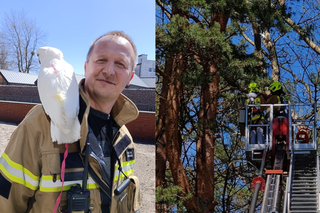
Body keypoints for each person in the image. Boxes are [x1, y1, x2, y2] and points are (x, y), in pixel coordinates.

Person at [0, 31, 141, 213]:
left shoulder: (125, 140)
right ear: (86, 66)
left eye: (120, 64)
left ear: (130, 77)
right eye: (101, 60)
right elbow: (6, 204)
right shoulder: (38, 126)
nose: (109, 70)